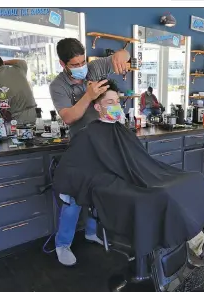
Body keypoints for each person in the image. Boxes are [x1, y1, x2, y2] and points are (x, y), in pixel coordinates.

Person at [57, 79, 204, 273]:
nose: (116, 106)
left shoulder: (121, 130)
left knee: (194, 179)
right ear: (97, 107)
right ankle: (201, 249)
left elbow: (137, 160)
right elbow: (73, 169)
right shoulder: (88, 134)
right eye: (110, 103)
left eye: (117, 102)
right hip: (118, 184)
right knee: (165, 194)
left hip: (143, 174)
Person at [49, 38, 130, 266]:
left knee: (99, 192)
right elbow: (68, 117)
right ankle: (62, 244)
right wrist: (88, 96)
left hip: (103, 146)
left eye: (83, 60)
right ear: (63, 64)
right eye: (76, 64)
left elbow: (122, 57)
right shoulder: (58, 86)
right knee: (73, 197)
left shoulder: (94, 68)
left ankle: (91, 232)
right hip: (81, 147)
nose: (82, 66)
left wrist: (122, 56)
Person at [0, 51, 37, 124]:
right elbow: (21, 61)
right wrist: (4, 62)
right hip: (35, 114)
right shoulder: (18, 68)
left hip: (18, 119)